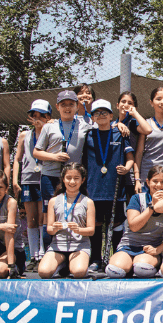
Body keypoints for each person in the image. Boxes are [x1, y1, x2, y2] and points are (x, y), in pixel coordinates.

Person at [34, 90, 92, 254]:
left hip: (74, 179)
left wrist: (119, 124)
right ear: (57, 107)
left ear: (76, 106)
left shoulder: (84, 124)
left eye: (71, 104)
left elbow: (103, 124)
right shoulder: (49, 126)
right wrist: (54, 156)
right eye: (64, 105)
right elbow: (37, 152)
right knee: (49, 216)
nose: (67, 108)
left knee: (74, 213)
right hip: (51, 176)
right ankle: (47, 253)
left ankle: (73, 252)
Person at [82, 99, 135, 273]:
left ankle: (114, 257)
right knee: (96, 224)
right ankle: (96, 259)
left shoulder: (120, 134)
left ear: (111, 116)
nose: (101, 115)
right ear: (93, 117)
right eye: (97, 113)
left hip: (115, 188)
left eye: (105, 112)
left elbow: (130, 158)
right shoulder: (88, 135)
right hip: (94, 189)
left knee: (116, 223)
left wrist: (126, 168)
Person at [105, 166, 163, 278]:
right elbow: (133, 226)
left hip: (151, 249)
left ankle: (141, 266)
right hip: (129, 246)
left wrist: (157, 250)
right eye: (155, 181)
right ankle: (127, 266)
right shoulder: (137, 199)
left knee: (142, 269)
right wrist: (152, 207)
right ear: (148, 182)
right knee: (114, 271)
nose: (158, 185)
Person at [13, 99, 52, 270]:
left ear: (48, 117)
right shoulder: (24, 135)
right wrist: (15, 180)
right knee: (31, 219)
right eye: (34, 115)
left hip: (44, 177)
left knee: (43, 216)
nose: (37, 119)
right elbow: (17, 159)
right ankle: (34, 256)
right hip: (28, 178)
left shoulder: (52, 133)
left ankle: (43, 254)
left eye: (41, 116)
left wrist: (47, 126)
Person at [38, 163, 95, 279]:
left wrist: (79, 230)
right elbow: (49, 229)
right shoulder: (53, 201)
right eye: (69, 178)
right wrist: (54, 228)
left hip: (79, 245)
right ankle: (62, 264)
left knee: (78, 272)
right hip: (58, 245)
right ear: (63, 179)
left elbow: (91, 230)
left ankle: (75, 263)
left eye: (76, 178)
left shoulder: (88, 202)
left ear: (82, 180)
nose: (72, 182)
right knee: (44, 272)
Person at [115, 91, 152, 200]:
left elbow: (148, 129)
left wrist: (134, 113)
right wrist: (118, 124)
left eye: (130, 103)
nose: (126, 104)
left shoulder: (133, 122)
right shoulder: (112, 123)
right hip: (115, 172)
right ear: (117, 105)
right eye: (123, 101)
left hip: (130, 174)